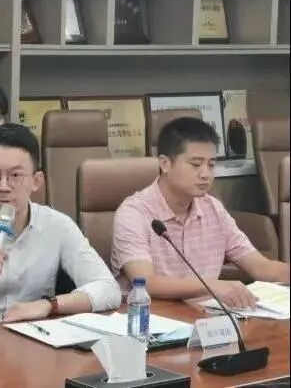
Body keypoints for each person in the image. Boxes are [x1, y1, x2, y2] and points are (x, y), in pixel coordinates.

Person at [0, 123, 121, 330]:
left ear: (36, 181)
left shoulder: (57, 226)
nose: (3, 186)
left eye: (15, 176)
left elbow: (108, 289)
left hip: (33, 340)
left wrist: (49, 305)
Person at [111, 117, 290, 309]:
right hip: (151, 318)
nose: (206, 174)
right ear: (165, 164)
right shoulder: (134, 213)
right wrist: (212, 286)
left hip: (206, 316)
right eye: (196, 164)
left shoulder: (213, 208)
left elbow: (260, 267)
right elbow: (146, 282)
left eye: (211, 165)